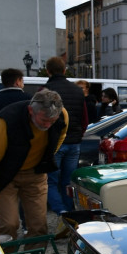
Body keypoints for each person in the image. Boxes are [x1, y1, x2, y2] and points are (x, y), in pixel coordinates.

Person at [0, 90, 67, 239]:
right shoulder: (7, 120)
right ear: (30, 110)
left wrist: (46, 156)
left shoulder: (62, 116)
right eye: (43, 120)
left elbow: (61, 135)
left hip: (36, 174)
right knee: (9, 224)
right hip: (7, 176)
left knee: (39, 225)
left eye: (52, 121)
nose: (47, 125)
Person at [43, 56, 88, 214]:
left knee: (50, 181)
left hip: (54, 143)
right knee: (68, 182)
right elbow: (84, 119)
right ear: (64, 70)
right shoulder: (77, 90)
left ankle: (60, 209)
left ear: (48, 71)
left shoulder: (45, 92)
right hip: (74, 142)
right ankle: (69, 212)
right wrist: (78, 135)